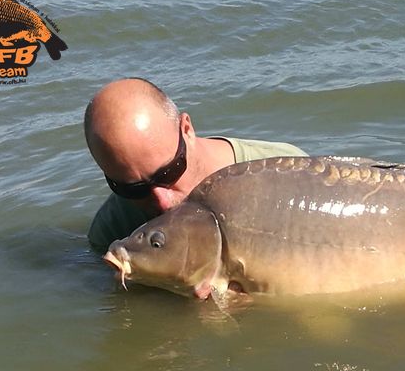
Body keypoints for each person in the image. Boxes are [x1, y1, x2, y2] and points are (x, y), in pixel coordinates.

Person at [84, 78, 307, 253]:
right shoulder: (111, 234)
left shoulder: (293, 176)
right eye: (133, 189)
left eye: (169, 172)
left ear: (187, 130)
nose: (163, 202)